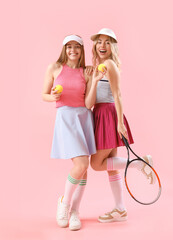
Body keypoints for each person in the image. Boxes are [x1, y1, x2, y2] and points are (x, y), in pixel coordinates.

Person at [85, 28, 154, 223]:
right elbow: (91, 99)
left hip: (108, 115)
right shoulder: (99, 67)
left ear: (112, 46)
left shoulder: (110, 65)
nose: (102, 45)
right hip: (99, 114)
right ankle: (120, 208)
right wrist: (91, 76)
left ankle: (141, 163)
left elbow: (118, 95)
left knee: (96, 164)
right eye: (99, 42)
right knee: (111, 167)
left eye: (107, 42)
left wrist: (119, 122)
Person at [42, 35, 96, 231]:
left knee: (84, 168)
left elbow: (89, 102)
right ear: (64, 49)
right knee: (81, 163)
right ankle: (64, 203)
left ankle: (75, 211)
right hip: (66, 118)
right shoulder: (54, 68)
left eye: (77, 47)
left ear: (82, 51)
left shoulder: (86, 72)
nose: (73, 50)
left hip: (83, 118)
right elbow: (44, 94)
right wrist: (52, 96)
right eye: (69, 47)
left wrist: (95, 78)